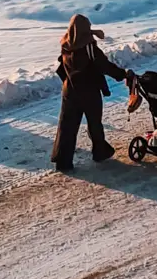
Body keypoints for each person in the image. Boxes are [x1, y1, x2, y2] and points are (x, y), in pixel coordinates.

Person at [52, 14, 133, 172]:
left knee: (66, 126)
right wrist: (123, 74)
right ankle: (100, 152)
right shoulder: (89, 47)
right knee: (94, 123)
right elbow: (104, 65)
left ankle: (62, 161)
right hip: (88, 91)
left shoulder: (66, 43)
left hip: (69, 91)